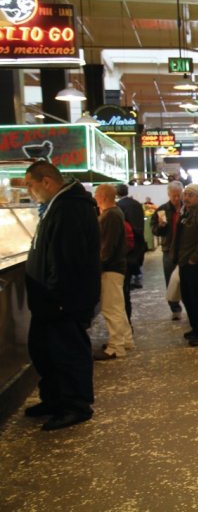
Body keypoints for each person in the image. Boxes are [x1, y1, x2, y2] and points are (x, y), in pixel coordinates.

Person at [23, 161, 100, 431]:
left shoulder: (70, 208)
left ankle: (76, 405)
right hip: (49, 300)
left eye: (30, 185)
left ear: (46, 181)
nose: (29, 191)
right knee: (44, 351)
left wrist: (57, 296)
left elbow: (67, 259)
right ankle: (55, 398)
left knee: (68, 352)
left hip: (63, 301)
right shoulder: (56, 205)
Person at [93, 184, 134, 361]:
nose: (95, 197)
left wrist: (98, 265)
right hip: (117, 267)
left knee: (111, 308)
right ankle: (125, 340)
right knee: (117, 306)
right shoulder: (115, 213)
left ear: (102, 196)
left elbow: (106, 246)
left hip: (111, 268)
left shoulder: (110, 215)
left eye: (96, 194)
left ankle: (115, 347)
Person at [173, 184, 198, 346]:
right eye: (186, 194)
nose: (187, 197)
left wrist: (195, 258)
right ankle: (195, 327)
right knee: (188, 297)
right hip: (184, 262)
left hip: (194, 264)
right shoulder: (186, 213)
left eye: (191, 195)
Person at [150, 181, 184, 320]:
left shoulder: (187, 208)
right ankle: (175, 308)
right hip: (169, 249)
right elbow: (155, 231)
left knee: (187, 280)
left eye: (178, 195)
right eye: (173, 195)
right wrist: (161, 226)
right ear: (168, 195)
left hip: (184, 250)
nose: (176, 198)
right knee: (170, 280)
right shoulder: (162, 210)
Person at [116, 183, 146, 302]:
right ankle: (137, 276)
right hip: (139, 241)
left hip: (128, 244)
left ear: (117, 193)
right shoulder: (137, 204)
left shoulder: (118, 206)